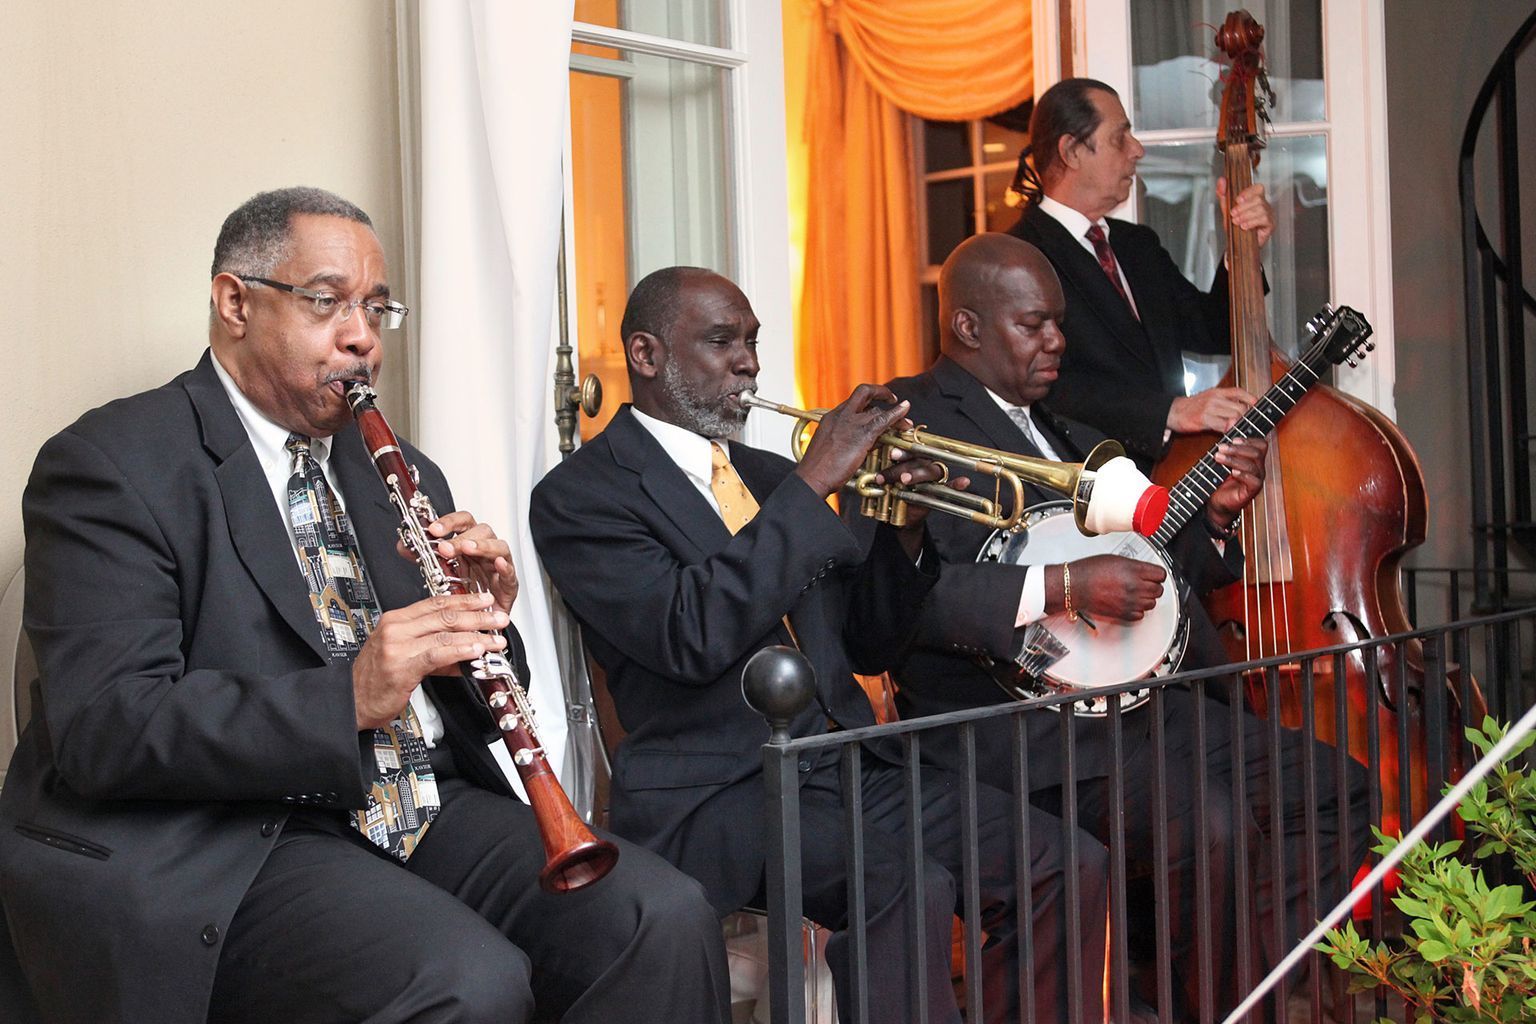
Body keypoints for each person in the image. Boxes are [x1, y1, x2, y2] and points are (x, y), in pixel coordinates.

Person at [0, 187, 730, 1024]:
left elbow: (465, 697)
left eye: (376, 310)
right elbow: (105, 727)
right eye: (326, 303)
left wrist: (483, 621)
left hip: (415, 803)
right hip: (233, 835)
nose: (362, 338)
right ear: (235, 303)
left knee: (660, 918)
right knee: (466, 981)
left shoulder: (399, 469)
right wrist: (347, 696)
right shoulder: (112, 464)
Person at [529, 266, 1111, 1024]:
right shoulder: (582, 495)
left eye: (752, 342)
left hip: (848, 763)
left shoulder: (770, 476)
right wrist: (811, 487)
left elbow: (867, 644)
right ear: (646, 354)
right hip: (723, 788)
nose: (748, 363)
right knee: (906, 887)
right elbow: (688, 635)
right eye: (722, 342)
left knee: (1062, 862)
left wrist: (904, 530)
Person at [880, 232, 1371, 1019]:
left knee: (1336, 790)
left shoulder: (1069, 430)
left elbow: (1150, 564)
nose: (1056, 341)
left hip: (1135, 704)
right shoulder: (908, 423)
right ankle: (1217, 995)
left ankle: (1229, 986)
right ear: (967, 326)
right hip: (1012, 723)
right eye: (1033, 324)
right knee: (1209, 824)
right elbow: (902, 599)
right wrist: (1066, 585)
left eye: (1059, 323)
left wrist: (1214, 519)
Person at [1008, 76, 1276, 471]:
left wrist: (1242, 249)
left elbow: (1214, 330)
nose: (1138, 149)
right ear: (1072, 151)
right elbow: (1036, 389)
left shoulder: (1137, 245)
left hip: (1174, 478)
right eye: (1120, 138)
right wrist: (1169, 411)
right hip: (1090, 490)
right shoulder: (1018, 257)